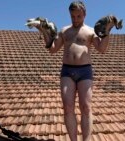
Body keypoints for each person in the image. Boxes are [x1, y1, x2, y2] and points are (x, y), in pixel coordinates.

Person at [38, 1, 112, 141]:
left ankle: (87, 139)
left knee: (86, 107)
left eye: (79, 16)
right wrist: (43, 31)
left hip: (85, 71)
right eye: (73, 16)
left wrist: (107, 30)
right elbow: (53, 49)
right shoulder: (64, 30)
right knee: (68, 107)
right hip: (67, 71)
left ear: (84, 14)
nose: (76, 19)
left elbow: (102, 49)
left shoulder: (91, 31)